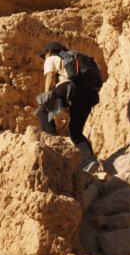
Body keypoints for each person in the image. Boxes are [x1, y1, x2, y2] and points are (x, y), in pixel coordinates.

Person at [38, 41, 101, 172]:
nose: (45, 57)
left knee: (42, 110)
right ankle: (90, 162)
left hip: (69, 89)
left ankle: (54, 144)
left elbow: (50, 76)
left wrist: (47, 96)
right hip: (88, 94)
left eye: (45, 54)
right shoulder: (73, 60)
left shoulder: (52, 58)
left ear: (49, 52)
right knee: (75, 132)